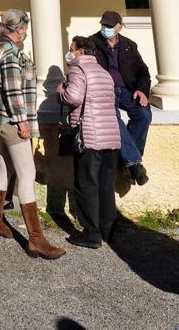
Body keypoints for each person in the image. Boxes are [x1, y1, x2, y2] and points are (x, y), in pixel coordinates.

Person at [0, 9, 65, 259]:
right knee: (27, 173)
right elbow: (12, 89)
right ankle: (36, 238)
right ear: (18, 30)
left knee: (5, 168)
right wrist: (22, 121)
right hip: (12, 120)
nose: (26, 33)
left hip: (2, 120)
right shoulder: (8, 51)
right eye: (25, 29)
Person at [57, 36, 120, 248]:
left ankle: (91, 233)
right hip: (110, 136)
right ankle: (107, 229)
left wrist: (61, 92)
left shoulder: (77, 69)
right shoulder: (103, 72)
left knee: (86, 184)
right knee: (105, 184)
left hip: (89, 136)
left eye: (72, 49)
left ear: (81, 51)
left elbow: (74, 98)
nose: (70, 53)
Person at [89, 11, 152, 186]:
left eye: (110, 26)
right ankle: (133, 163)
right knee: (114, 120)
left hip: (126, 90)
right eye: (104, 25)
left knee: (144, 114)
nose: (106, 28)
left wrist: (142, 90)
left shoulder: (129, 45)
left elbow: (143, 72)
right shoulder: (91, 43)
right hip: (104, 90)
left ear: (119, 27)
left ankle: (128, 161)